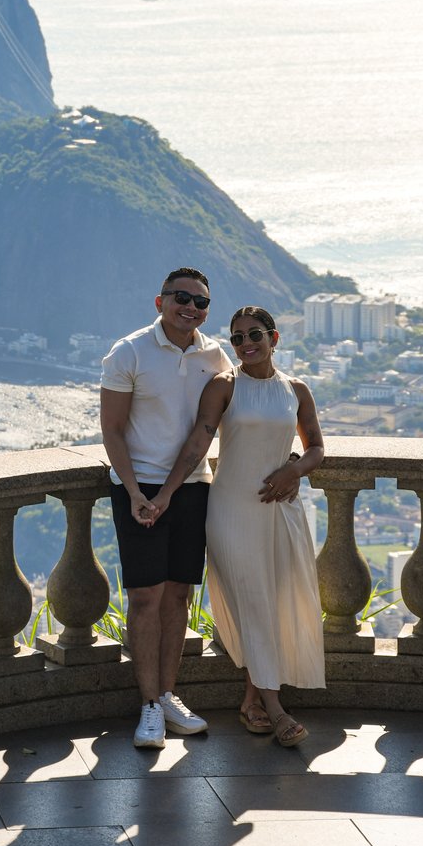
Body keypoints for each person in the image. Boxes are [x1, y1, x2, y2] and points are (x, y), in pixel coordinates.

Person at [151, 305, 326, 747]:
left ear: (274, 338)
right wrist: (166, 493)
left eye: (255, 335)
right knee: (251, 603)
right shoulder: (224, 386)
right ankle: (276, 709)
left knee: (273, 603)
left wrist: (294, 470)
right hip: (231, 510)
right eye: (237, 338)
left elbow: (317, 448)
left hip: (280, 509)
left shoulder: (297, 390)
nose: (246, 344)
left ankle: (251, 702)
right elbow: (198, 443)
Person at [100, 267, 233, 748]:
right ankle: (149, 705)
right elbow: (112, 430)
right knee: (144, 597)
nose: (191, 308)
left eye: (200, 302)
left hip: (192, 488)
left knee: (178, 594)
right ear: (160, 302)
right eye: (182, 298)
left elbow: (212, 428)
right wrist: (136, 493)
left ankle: (170, 694)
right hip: (139, 487)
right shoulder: (129, 351)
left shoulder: (214, 356)